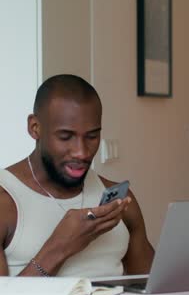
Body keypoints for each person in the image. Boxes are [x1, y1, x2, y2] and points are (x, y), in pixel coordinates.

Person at [0, 74, 154, 277]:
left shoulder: (118, 201)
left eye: (92, 136)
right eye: (66, 137)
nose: (81, 152)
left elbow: (152, 289)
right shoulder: (6, 202)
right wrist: (59, 247)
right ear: (34, 127)